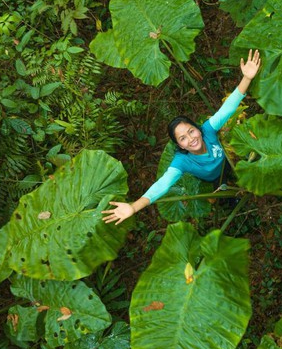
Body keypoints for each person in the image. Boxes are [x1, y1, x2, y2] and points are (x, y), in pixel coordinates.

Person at [102, 49, 261, 225]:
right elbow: (162, 185)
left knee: (233, 170)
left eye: (191, 131)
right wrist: (133, 207)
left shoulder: (208, 130)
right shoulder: (182, 161)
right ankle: (231, 199)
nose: (191, 138)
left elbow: (228, 108)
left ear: (198, 129)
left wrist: (247, 78)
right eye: (183, 138)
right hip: (212, 176)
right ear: (180, 145)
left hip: (225, 162)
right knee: (221, 185)